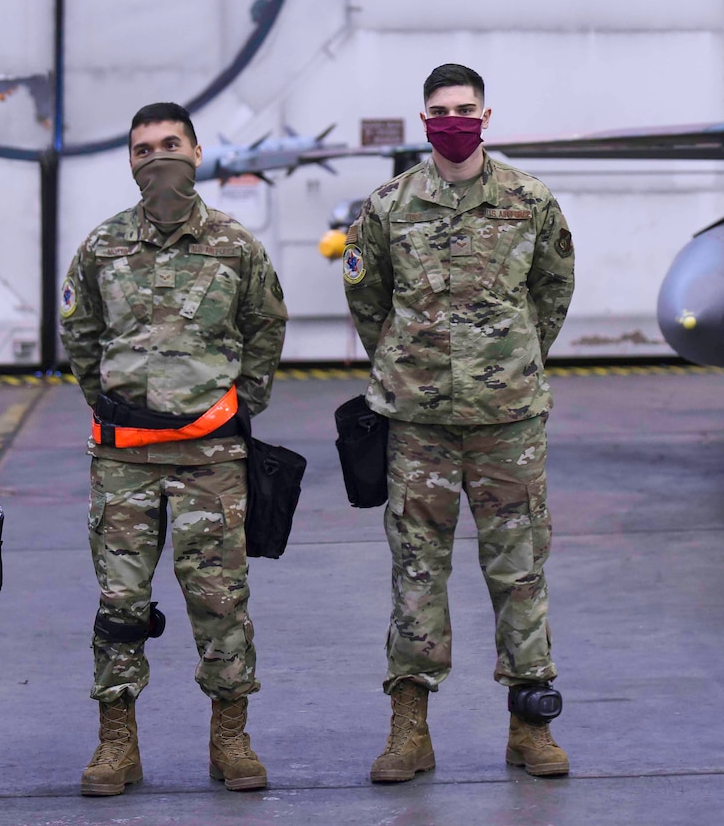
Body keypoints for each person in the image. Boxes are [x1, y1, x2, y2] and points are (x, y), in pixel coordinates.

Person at [341, 63, 578, 781]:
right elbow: (368, 301)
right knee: (416, 569)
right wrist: (412, 365)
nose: (454, 119)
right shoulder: (388, 205)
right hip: (418, 425)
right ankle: (409, 728)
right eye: (441, 109)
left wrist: (505, 360)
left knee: (520, 568)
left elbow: (554, 290)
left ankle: (529, 724)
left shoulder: (529, 201)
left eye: (465, 108)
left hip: (508, 421)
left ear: (486, 114)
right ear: (424, 121)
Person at [59, 102, 290, 796]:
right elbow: (81, 338)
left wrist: (238, 404)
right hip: (125, 461)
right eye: (142, 149)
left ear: (195, 152)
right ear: (129, 163)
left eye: (169, 145)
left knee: (220, 600)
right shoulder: (101, 248)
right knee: (120, 602)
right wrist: (115, 405)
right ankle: (116, 743)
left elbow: (266, 326)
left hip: (210, 461)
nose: (156, 159)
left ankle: (230, 737)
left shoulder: (235, 245)